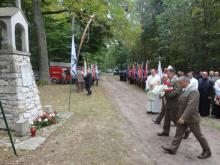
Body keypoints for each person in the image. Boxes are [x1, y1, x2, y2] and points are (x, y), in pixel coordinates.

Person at [161, 76, 211, 159]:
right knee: (178, 133)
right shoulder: (185, 90)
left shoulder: (194, 91)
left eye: (180, 82)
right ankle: (173, 148)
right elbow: (181, 104)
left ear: (185, 82)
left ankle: (207, 151)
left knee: (198, 135)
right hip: (182, 117)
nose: (179, 84)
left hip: (191, 118)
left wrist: (183, 118)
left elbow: (191, 106)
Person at [157, 68, 182, 136]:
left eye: (168, 73)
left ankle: (185, 130)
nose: (167, 74)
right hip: (169, 102)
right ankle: (165, 131)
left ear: (172, 73)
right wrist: (162, 93)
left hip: (174, 102)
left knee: (174, 118)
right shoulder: (170, 80)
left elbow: (177, 91)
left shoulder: (178, 80)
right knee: (167, 117)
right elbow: (167, 88)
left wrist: (167, 95)